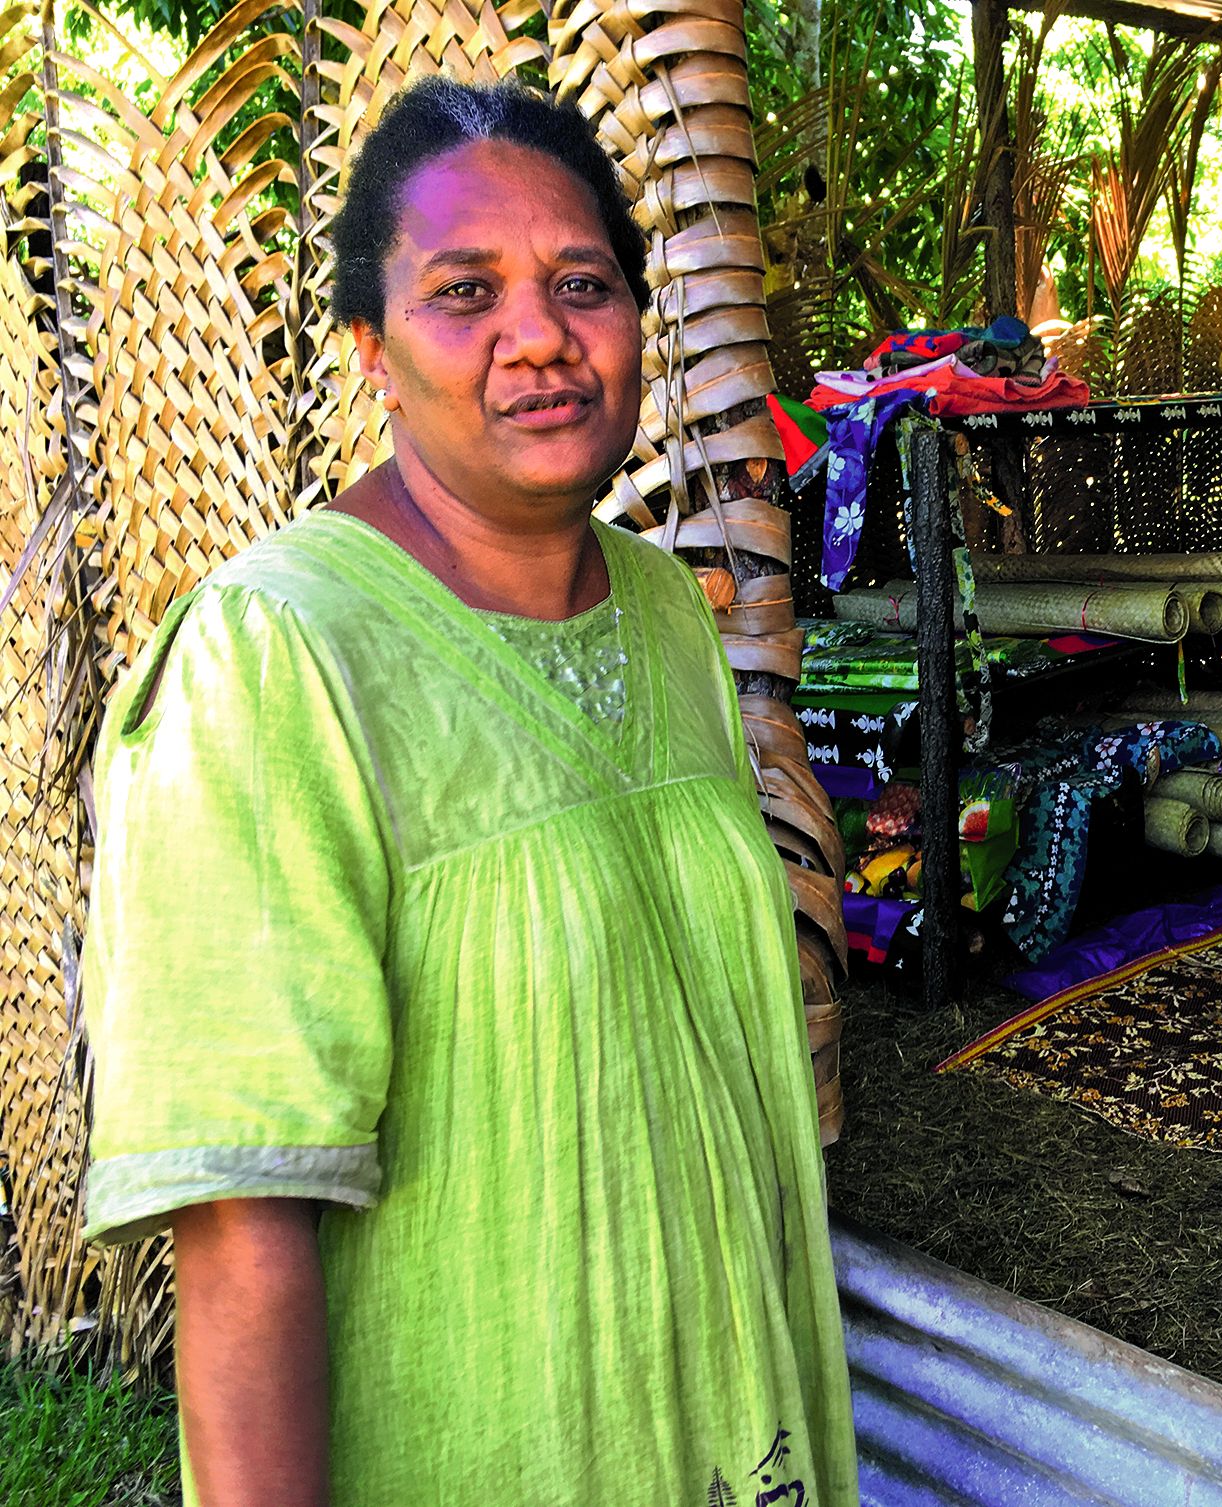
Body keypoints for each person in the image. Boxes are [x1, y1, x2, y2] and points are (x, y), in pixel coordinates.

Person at [79, 76, 856, 1507]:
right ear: (371, 351)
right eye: (463, 294)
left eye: (581, 283)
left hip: (722, 1432)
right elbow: (245, 1228)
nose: (540, 338)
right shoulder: (277, 658)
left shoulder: (663, 613)